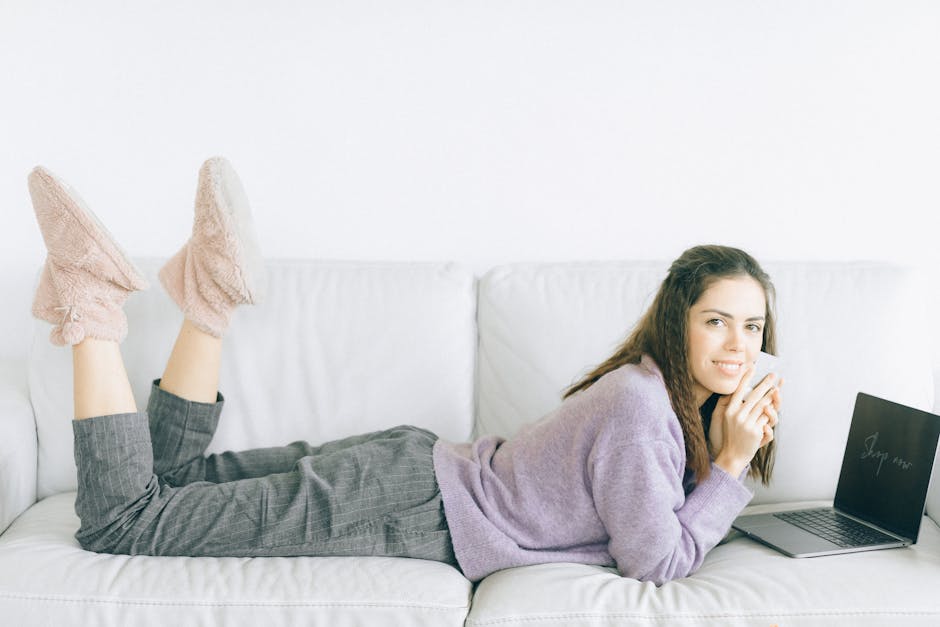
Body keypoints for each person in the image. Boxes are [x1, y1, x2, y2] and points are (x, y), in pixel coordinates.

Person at [28, 158, 782, 586]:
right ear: (678, 318)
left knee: (173, 485)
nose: (737, 344)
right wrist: (730, 466)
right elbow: (653, 560)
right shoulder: (639, 410)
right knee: (127, 522)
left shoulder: (650, 395)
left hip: (409, 474)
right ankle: (89, 306)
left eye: (752, 326)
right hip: (406, 506)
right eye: (716, 320)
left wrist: (715, 446)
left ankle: (210, 296)